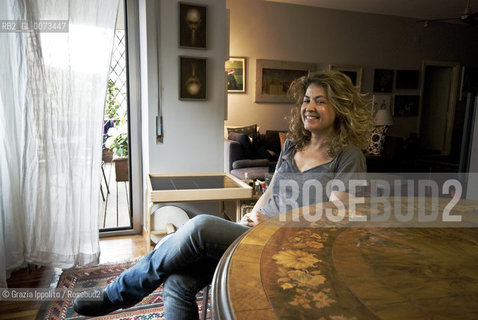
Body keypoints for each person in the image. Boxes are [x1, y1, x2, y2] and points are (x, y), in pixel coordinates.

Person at [73, 71, 373, 319]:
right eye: (307, 100)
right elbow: (272, 189)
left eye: (320, 102)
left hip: (287, 245)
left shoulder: (348, 157)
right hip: (254, 231)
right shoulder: (293, 144)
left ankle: (115, 294)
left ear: (340, 108)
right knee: (177, 282)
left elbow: (334, 223)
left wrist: (272, 227)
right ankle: (128, 285)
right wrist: (253, 212)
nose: (310, 107)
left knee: (200, 226)